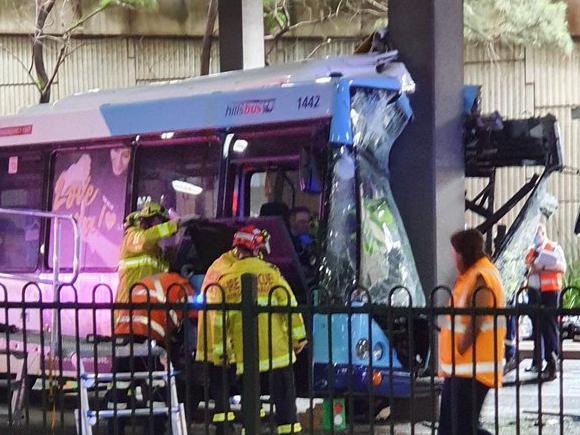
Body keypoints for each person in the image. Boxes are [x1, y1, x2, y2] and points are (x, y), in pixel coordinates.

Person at [206, 225, 307, 435]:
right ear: (255, 248)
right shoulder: (271, 274)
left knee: (250, 406)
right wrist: (299, 338)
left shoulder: (225, 279)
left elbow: (218, 322)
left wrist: (221, 353)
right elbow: (290, 307)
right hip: (277, 351)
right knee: (285, 404)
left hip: (246, 355)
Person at [109, 271, 197, 435]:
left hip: (122, 335)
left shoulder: (147, 282)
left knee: (119, 385)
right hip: (148, 337)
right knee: (156, 388)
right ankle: (154, 430)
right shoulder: (181, 285)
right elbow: (193, 313)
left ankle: (114, 428)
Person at [438, 229, 506, 435]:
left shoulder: (481, 276)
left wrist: (460, 347)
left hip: (471, 369)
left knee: (462, 429)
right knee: (452, 429)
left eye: (455, 253)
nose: (453, 258)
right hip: (461, 369)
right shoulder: (472, 275)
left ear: (464, 253)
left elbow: (477, 319)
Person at [116, 202, 179, 317]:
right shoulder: (132, 236)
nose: (161, 229)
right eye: (159, 223)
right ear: (148, 221)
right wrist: (173, 225)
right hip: (128, 310)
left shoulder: (157, 252)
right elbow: (145, 239)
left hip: (147, 311)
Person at [525, 224, 566, 380]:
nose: (535, 238)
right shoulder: (531, 250)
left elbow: (562, 267)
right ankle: (539, 361)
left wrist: (542, 268)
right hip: (534, 292)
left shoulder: (554, 247)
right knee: (538, 326)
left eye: (536, 234)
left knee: (549, 326)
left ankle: (552, 361)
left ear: (543, 233)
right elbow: (527, 268)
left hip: (550, 291)